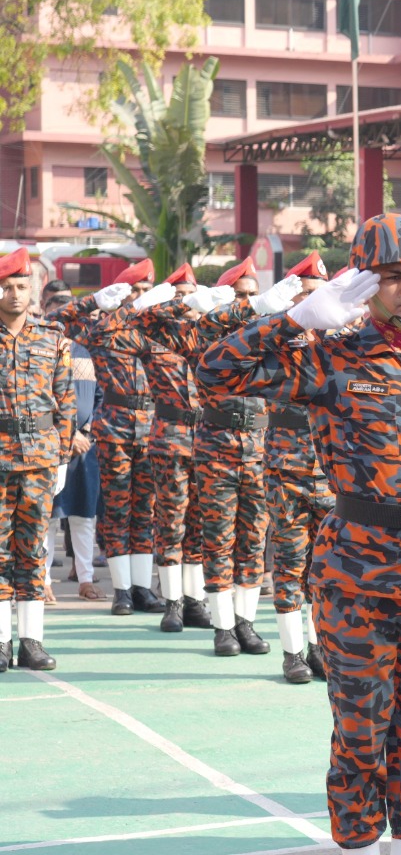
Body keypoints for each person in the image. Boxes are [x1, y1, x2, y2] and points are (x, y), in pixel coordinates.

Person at [200, 213, 401, 855]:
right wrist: (293, 319)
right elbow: (214, 373)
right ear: (363, 285)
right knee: (360, 744)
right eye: (391, 276)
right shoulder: (330, 358)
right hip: (357, 579)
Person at [139, 269, 302, 657]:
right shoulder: (207, 337)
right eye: (239, 296)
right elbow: (144, 321)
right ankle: (222, 626)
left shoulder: (273, 337)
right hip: (216, 448)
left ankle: (245, 623)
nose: (247, 302)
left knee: (252, 540)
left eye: (253, 295)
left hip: (261, 445)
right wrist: (189, 303)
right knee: (218, 540)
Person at [48, 260, 159, 615]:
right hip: (113, 427)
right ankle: (122, 590)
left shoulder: (161, 327)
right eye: (134, 290)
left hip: (152, 426)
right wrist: (94, 301)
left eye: (145, 290)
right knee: (116, 511)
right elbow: (55, 323)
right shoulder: (100, 327)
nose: (139, 297)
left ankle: (143, 587)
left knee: (145, 510)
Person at [262, 253, 336, 682]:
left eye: (318, 293)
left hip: (330, 471)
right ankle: (292, 653)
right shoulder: (275, 337)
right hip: (286, 466)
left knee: (325, 569)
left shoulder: (341, 339)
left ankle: (320, 648)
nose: (312, 301)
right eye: (304, 294)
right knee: (289, 562)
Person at [0, 247, 74, 672]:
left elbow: (66, 402)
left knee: (32, 548)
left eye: (21, 286)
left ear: (34, 289)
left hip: (41, 458)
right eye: (7, 286)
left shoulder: (54, 338)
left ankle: (31, 642)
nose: (14, 294)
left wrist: (62, 457)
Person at [126, 264, 208, 632]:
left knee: (200, 523)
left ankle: (195, 600)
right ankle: (172, 601)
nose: (185, 303)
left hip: (207, 440)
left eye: (189, 296)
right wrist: (172, 302)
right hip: (170, 438)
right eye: (178, 296)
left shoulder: (210, 335)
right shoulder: (154, 336)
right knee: (171, 520)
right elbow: (138, 318)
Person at [42, 290, 100, 603]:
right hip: (51, 447)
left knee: (83, 515)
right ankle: (44, 580)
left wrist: (87, 432)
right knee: (49, 517)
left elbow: (98, 397)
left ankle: (86, 579)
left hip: (84, 449)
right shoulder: (39, 352)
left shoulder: (83, 352)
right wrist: (67, 434)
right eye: (58, 312)